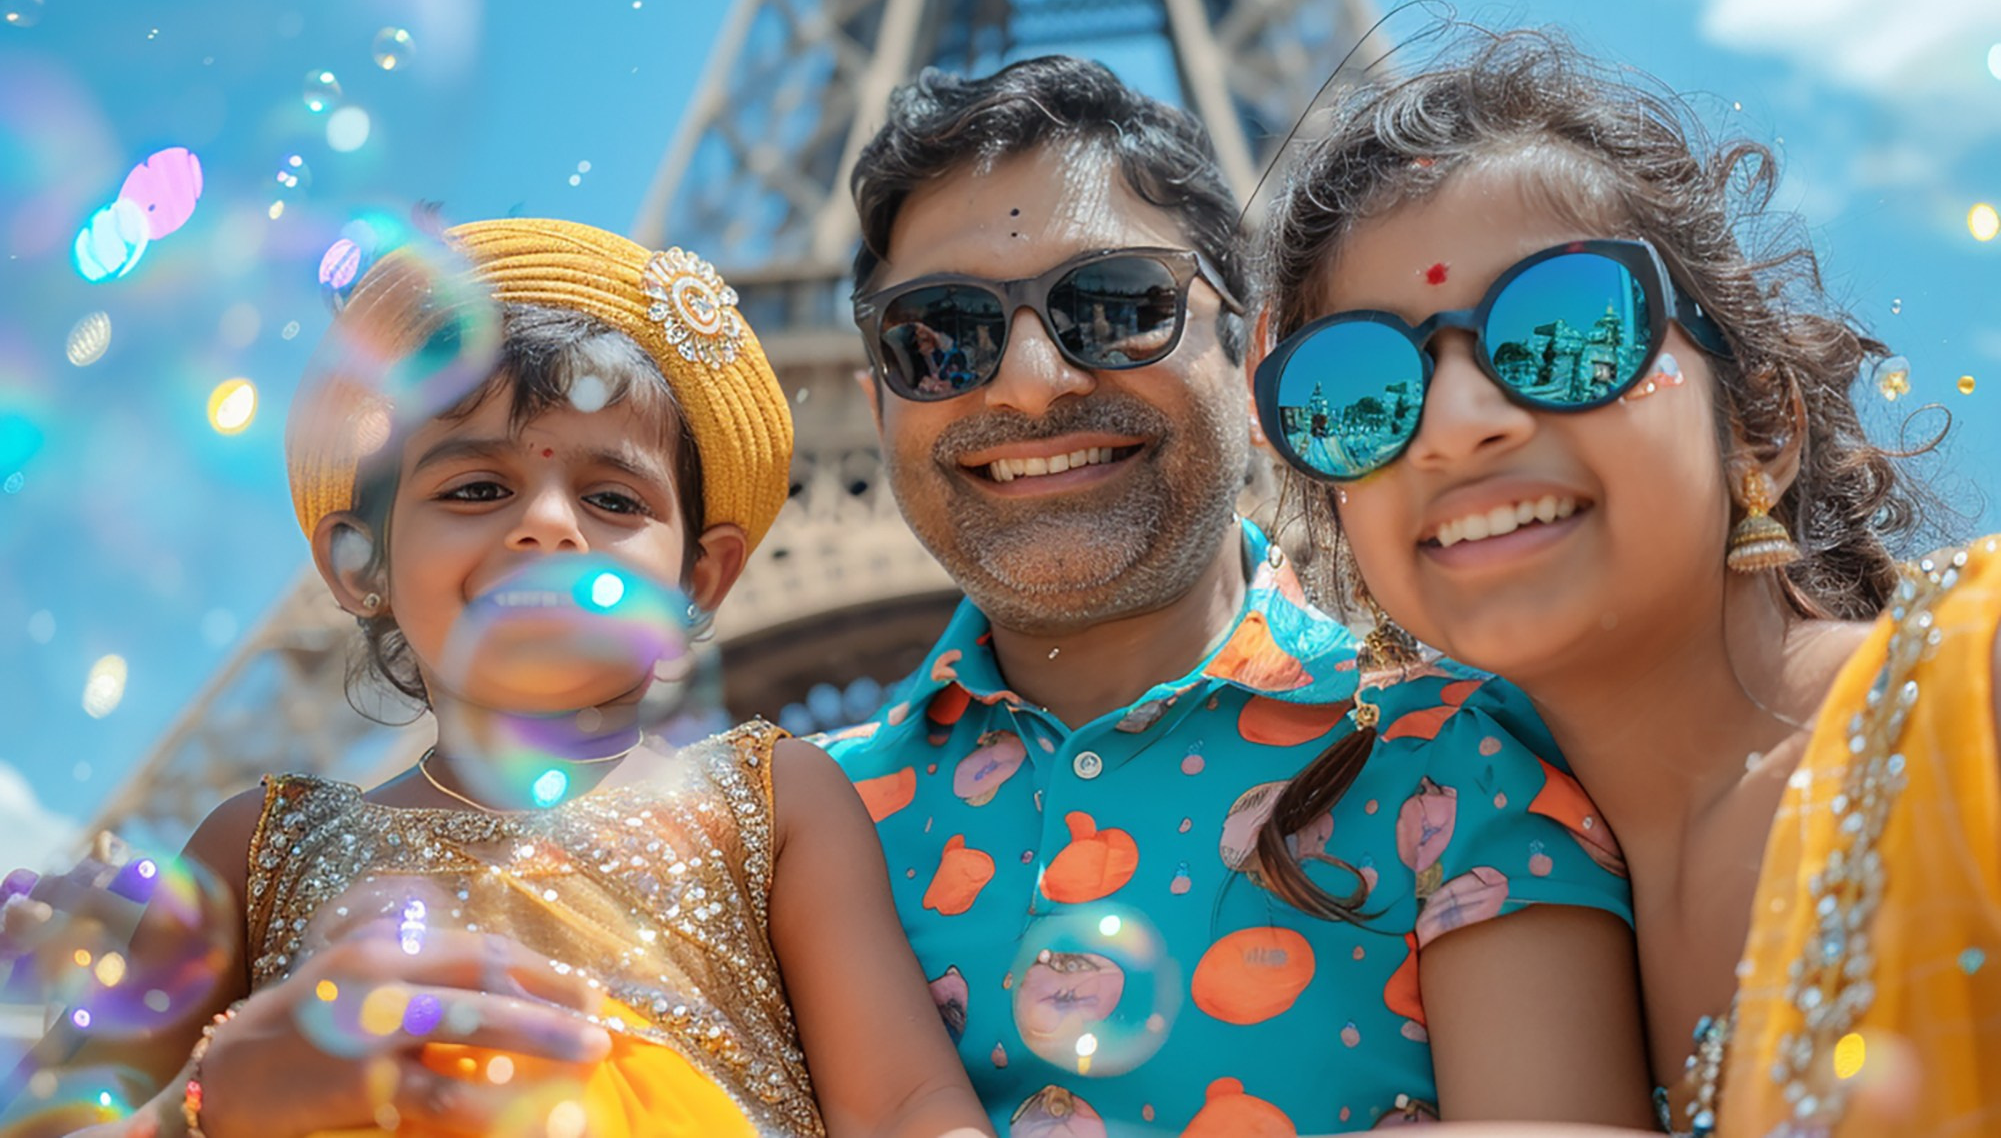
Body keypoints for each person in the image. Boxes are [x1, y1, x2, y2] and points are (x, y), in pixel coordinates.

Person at [820, 56, 1657, 1135]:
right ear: (875, 404)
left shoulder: (1461, 757)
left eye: (1118, 304)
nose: (1031, 379)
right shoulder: (797, 834)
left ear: (1252, 352)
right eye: (938, 337)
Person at [9, 219, 989, 1138]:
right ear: (362, 567)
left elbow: (905, 1104)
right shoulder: (252, 845)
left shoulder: (773, 801)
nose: (550, 525)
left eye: (611, 497)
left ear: (700, 576)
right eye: (477, 487)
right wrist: (210, 1105)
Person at [1250, 28, 2001, 1137]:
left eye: (1564, 331)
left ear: (1758, 431)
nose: (1457, 426)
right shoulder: (1424, 929)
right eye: (1356, 392)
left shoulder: (1975, 693)